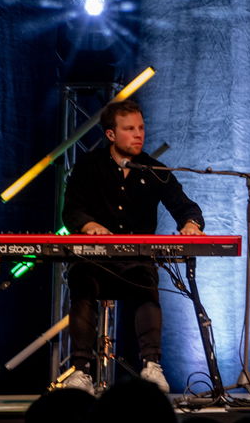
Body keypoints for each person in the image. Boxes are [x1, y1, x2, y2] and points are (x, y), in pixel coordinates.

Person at [60, 99, 204, 394]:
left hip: (136, 263)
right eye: (129, 129)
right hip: (96, 260)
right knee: (82, 279)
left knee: (145, 279)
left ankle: (152, 366)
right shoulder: (89, 166)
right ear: (111, 135)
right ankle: (81, 370)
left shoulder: (153, 168)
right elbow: (72, 210)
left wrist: (191, 223)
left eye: (141, 127)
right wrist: (89, 226)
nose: (139, 134)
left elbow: (184, 205)